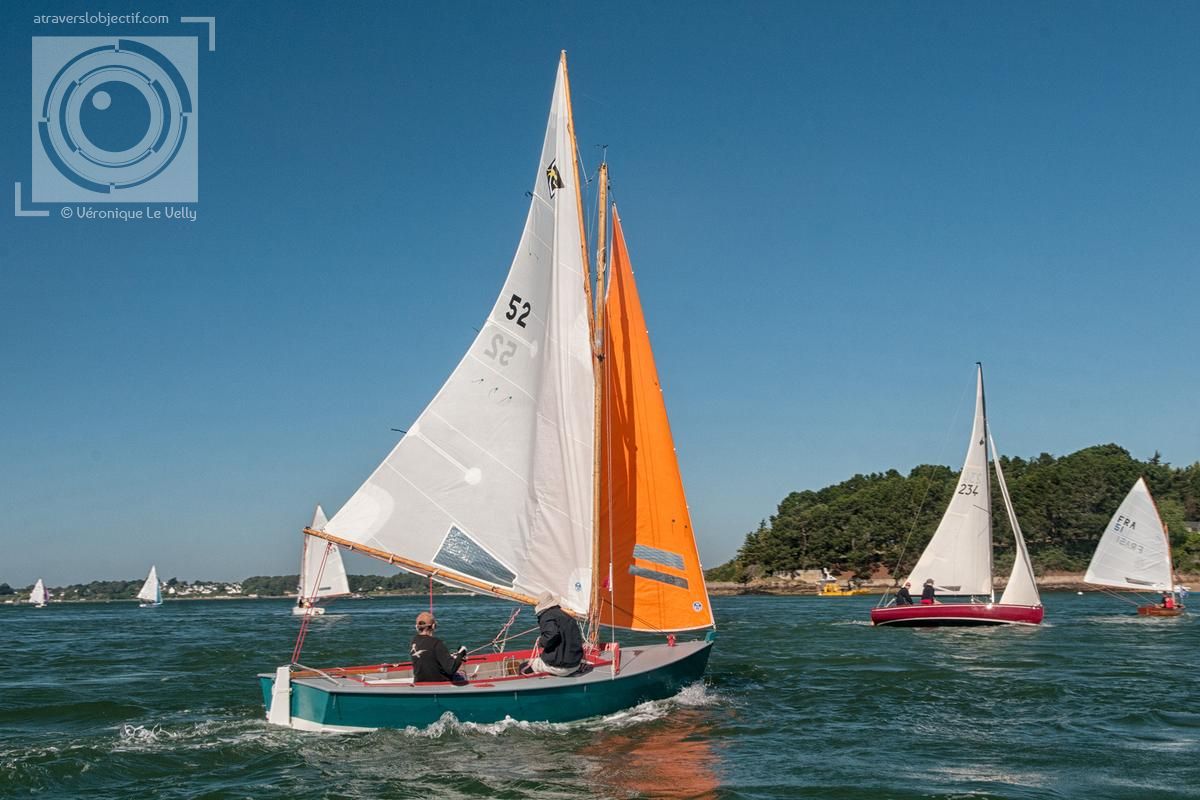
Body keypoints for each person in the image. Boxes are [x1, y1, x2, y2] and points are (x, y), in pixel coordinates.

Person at [523, 592, 584, 677]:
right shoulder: (567, 616)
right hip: (575, 664)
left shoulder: (547, 616)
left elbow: (551, 634)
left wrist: (541, 642)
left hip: (560, 668)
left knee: (524, 666)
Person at [409, 611, 467, 683]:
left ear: (416, 627)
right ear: (433, 626)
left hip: (419, 684)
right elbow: (451, 669)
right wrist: (461, 654)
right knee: (461, 675)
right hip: (439, 685)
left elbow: (429, 656)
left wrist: (449, 657)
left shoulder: (413, 641)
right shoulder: (437, 643)